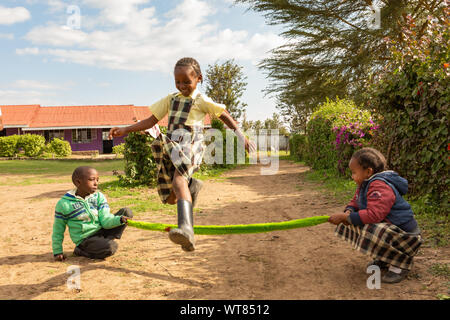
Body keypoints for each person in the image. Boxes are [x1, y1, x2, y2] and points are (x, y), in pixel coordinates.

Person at [109, 57, 256, 252]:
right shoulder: (170, 99)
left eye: (187, 81)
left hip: (191, 145)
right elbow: (150, 121)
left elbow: (225, 116)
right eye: (178, 81)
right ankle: (192, 188)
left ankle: (186, 228)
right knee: (171, 196)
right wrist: (126, 129)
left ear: (199, 79)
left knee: (178, 182)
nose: (182, 85)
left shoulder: (202, 101)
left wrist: (241, 137)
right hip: (172, 145)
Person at [328, 147, 422, 284]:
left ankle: (400, 264)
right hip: (393, 232)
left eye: (354, 172)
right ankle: (386, 257)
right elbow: (355, 201)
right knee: (355, 221)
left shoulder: (380, 185)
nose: (352, 176)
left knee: (371, 228)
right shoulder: (365, 184)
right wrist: (348, 211)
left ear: (368, 171)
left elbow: (374, 214)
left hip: (407, 237)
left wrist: (346, 217)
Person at [52, 166, 133, 261]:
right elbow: (58, 230)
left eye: (97, 180)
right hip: (86, 239)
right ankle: (81, 250)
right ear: (78, 182)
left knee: (126, 212)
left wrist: (119, 219)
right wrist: (57, 251)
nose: (96, 183)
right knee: (111, 247)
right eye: (92, 180)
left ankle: (103, 242)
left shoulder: (99, 196)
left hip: (102, 230)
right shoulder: (64, 204)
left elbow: (106, 220)